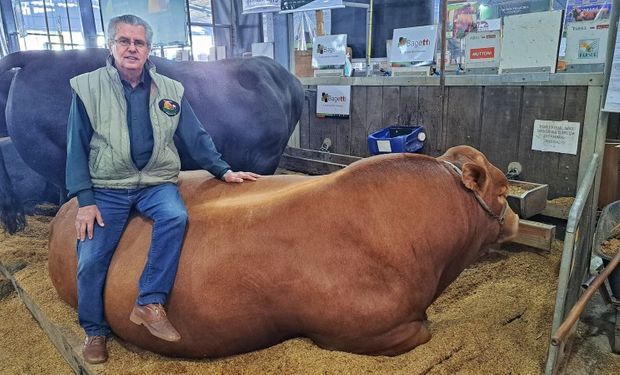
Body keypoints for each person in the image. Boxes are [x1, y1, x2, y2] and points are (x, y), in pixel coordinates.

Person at [66, 14, 260, 364]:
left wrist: (223, 170)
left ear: (148, 49)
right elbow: (75, 146)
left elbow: (195, 136)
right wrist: (85, 199)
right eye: (124, 41)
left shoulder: (170, 90)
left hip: (156, 182)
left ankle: (149, 302)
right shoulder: (87, 87)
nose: (131, 48)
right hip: (109, 185)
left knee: (175, 216)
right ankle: (94, 331)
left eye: (139, 43)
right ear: (111, 46)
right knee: (90, 257)